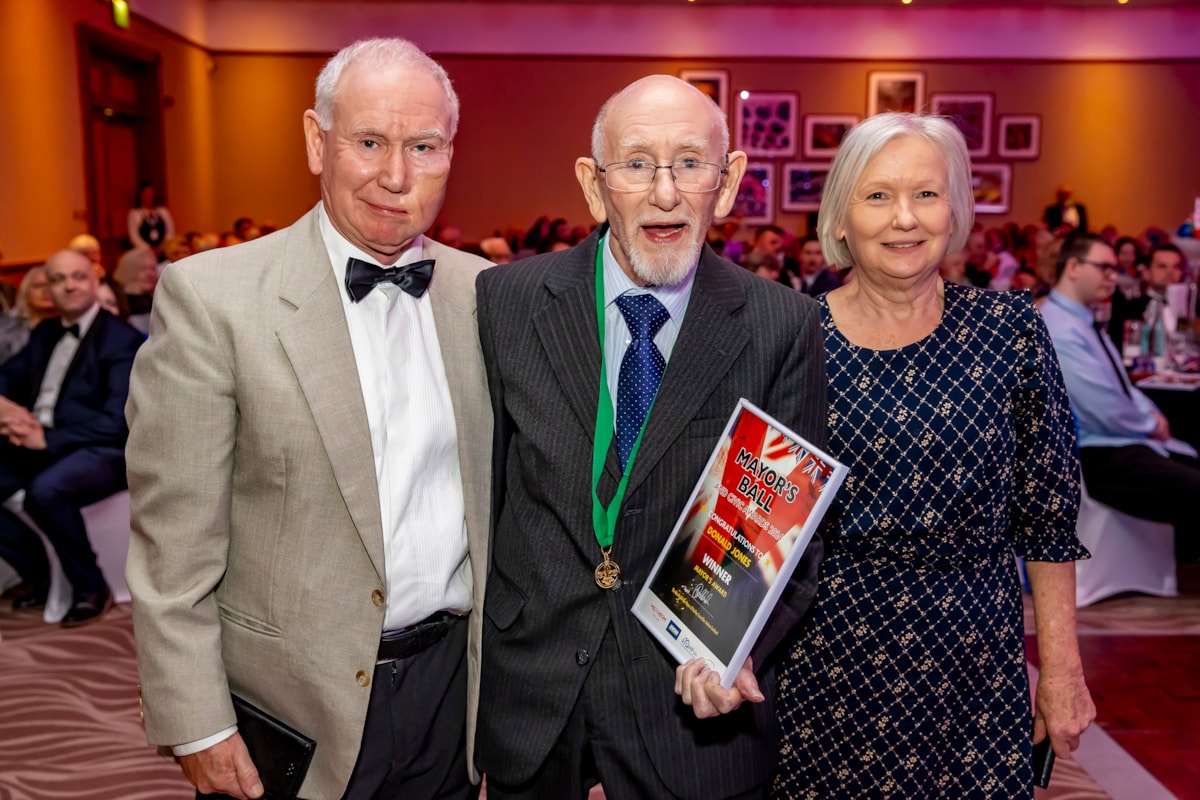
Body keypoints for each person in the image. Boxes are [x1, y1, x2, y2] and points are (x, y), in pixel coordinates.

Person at [124, 38, 491, 800]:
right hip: (287, 711)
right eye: (369, 143)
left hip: (453, 695)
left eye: (423, 147)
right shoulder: (213, 299)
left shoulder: (488, 296)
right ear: (316, 142)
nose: (397, 176)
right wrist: (197, 722)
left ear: (450, 153)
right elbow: (173, 546)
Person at [474, 74, 827, 800]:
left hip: (689, 703)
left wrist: (735, 650)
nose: (664, 192)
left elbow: (786, 525)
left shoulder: (779, 325)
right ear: (594, 185)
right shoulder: (506, 301)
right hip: (536, 691)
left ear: (726, 185)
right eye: (636, 164)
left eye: (690, 163)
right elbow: (491, 488)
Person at [773, 113, 1094, 799]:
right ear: (841, 216)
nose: (905, 219)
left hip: (977, 659)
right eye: (878, 195)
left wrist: (1062, 670)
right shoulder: (795, 336)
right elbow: (755, 513)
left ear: (956, 210)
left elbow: (1047, 516)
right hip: (833, 662)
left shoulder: (1012, 329)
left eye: (926, 193)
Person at [0, 249, 143, 625]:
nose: (69, 286)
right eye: (59, 279)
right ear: (48, 287)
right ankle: (39, 573)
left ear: (96, 281)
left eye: (78, 277)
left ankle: (90, 586)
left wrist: (47, 439)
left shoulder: (121, 339)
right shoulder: (45, 333)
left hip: (102, 449)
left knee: (46, 491)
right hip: (38, 440)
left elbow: (118, 420)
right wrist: (7, 409)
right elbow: (7, 376)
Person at [1041, 235, 1200, 546]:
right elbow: (1102, 407)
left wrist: (1151, 417)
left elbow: (1121, 387)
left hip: (1119, 442)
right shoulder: (1058, 327)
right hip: (1096, 456)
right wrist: (1150, 425)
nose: (1114, 277)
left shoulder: (1081, 319)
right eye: (1105, 268)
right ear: (1073, 267)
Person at [0, 266, 58, 364]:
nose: (46, 291)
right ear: (26, 292)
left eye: (52, 285)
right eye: (38, 285)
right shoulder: (6, 326)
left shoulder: (75, 327)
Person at [127, 182, 175, 252]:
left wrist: (162, 247)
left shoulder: (163, 211)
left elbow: (170, 231)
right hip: (143, 252)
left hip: (163, 250)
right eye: (146, 193)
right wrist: (148, 249)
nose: (149, 196)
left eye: (151, 193)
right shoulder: (134, 213)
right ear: (140, 195)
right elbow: (134, 236)